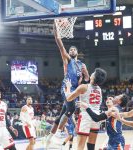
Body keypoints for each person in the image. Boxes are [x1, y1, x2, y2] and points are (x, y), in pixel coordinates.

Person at [46, 20, 90, 148]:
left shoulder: (82, 65)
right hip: (67, 87)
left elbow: (85, 81)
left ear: (77, 52)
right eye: (70, 49)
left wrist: (86, 73)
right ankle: (58, 134)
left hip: (75, 91)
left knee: (63, 114)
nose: (71, 50)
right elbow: (60, 44)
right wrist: (56, 29)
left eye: (73, 49)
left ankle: (49, 137)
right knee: (71, 109)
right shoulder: (67, 60)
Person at [65, 68, 107, 150]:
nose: (92, 73)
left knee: (80, 146)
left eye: (93, 73)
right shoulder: (99, 89)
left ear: (94, 77)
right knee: (91, 146)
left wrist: (68, 87)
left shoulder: (83, 87)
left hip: (86, 116)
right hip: (96, 117)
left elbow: (69, 98)